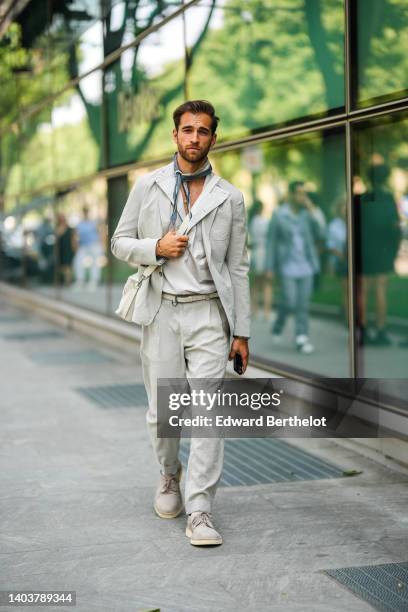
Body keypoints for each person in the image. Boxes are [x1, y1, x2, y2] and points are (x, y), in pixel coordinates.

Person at [111, 100, 250, 547]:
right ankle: (170, 475)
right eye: (187, 130)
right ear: (175, 135)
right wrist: (156, 247)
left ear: (214, 137)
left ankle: (201, 509)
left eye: (203, 131)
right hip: (162, 311)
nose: (194, 138)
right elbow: (119, 243)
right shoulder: (147, 186)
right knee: (163, 415)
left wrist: (241, 331)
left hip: (210, 314)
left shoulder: (230, 197)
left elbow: (239, 267)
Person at [266, 181, 324, 354]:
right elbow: (271, 242)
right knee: (289, 301)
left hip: (306, 265)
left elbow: (321, 233)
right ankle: (279, 324)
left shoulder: (308, 214)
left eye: (304, 193)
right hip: (287, 265)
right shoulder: (279, 215)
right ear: (291, 195)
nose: (302, 196)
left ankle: (301, 337)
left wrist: (312, 209)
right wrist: (269, 267)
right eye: (299, 193)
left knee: (303, 304)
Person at [355, 162, 401, 346]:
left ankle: (363, 330)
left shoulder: (362, 198)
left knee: (364, 291)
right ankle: (381, 329)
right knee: (381, 290)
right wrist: (394, 249)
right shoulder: (388, 198)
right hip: (383, 249)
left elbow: (356, 226)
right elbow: (394, 227)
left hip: (365, 248)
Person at [247, 199, 273, 320]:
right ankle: (267, 312)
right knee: (267, 284)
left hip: (256, 252)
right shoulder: (265, 222)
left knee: (255, 284)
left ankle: (254, 309)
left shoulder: (251, 222)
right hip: (266, 252)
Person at [73, 206, 103, 290]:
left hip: (94, 244)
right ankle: (80, 280)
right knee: (78, 261)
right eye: (84, 212)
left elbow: (100, 232)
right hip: (83, 245)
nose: (85, 213)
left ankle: (94, 281)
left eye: (86, 212)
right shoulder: (79, 224)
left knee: (95, 263)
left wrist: (101, 244)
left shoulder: (93, 222)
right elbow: (76, 235)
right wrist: (76, 245)